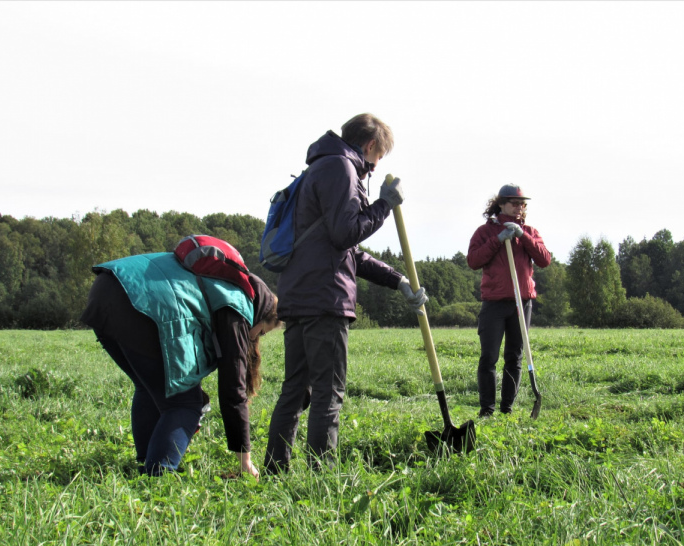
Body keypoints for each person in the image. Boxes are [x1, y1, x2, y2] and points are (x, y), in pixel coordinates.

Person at [264, 113, 428, 473]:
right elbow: (346, 234)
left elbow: (345, 249)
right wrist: (384, 205)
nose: (374, 168)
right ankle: (321, 478)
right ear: (371, 147)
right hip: (325, 299)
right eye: (379, 158)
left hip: (301, 296)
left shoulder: (321, 166)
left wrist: (398, 280)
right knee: (327, 393)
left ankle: (276, 473)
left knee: (295, 392)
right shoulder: (342, 168)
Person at [81, 251, 279, 477]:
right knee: (185, 402)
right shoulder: (238, 306)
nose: (256, 339)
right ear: (261, 315)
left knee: (149, 388)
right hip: (136, 300)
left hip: (107, 288)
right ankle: (158, 478)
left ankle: (146, 464)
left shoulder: (228, 285)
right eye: (261, 332)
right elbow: (233, 390)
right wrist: (245, 461)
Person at [466, 184, 551, 417]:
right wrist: (498, 239)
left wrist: (523, 237)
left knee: (515, 357)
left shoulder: (530, 232)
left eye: (522, 204)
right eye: (514, 203)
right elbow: (473, 261)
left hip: (522, 303)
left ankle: (507, 409)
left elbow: (544, 260)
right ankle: (487, 410)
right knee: (489, 357)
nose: (519, 208)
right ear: (501, 204)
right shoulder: (484, 232)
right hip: (494, 303)